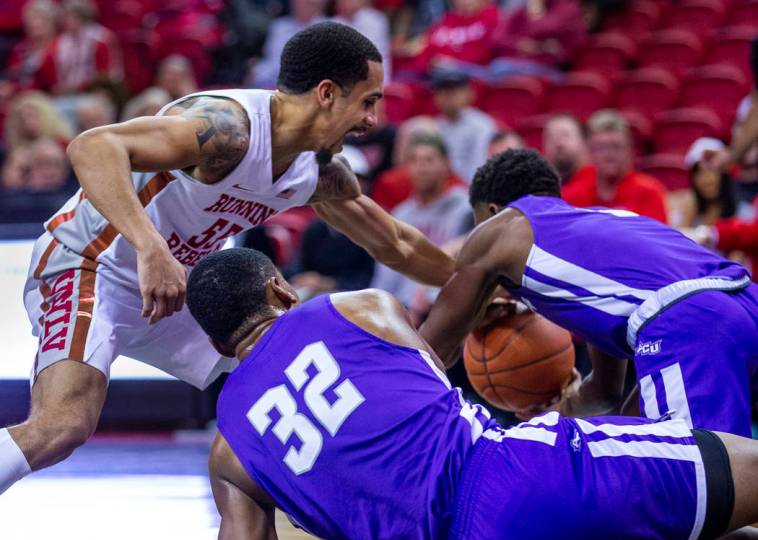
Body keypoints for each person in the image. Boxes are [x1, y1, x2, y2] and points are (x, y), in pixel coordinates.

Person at [189, 246, 758, 540]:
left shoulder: (228, 450)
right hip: (518, 480)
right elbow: (420, 391)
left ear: (216, 341)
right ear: (280, 290)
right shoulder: (354, 307)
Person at [0, 23, 454, 496]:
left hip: (173, 286)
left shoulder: (317, 170)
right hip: (90, 262)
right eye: (367, 100)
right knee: (63, 425)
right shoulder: (227, 128)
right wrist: (150, 247)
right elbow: (93, 146)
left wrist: (487, 282)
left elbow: (397, 244)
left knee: (297, 384)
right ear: (326, 93)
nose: (372, 119)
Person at [420, 149, 758, 437]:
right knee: (699, 472)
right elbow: (605, 396)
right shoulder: (598, 236)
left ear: (493, 213)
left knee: (704, 489)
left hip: (687, 322)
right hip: (741, 304)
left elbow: (427, 353)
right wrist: (550, 417)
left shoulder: (500, 229)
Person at [372, 134, 472, 307]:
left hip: (444, 306)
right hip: (401, 308)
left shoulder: (465, 208)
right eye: (415, 161)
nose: (421, 168)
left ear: (446, 164)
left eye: (429, 160)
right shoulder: (400, 215)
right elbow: (386, 277)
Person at [563, 109, 668, 223]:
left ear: (630, 150)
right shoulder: (574, 194)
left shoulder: (649, 193)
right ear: (590, 152)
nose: (609, 155)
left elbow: (658, 238)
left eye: (616, 146)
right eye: (601, 147)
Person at [432, 70, 497, 182]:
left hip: (471, 190)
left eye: (454, 91)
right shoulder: (434, 126)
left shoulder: (481, 125)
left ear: (469, 93)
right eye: (444, 91)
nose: (449, 96)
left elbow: (480, 167)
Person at [668, 138, 737, 229]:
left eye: (712, 170)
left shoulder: (742, 209)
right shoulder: (687, 205)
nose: (707, 179)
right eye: (699, 173)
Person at [542, 112, 589, 185]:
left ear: (584, 141)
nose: (558, 144)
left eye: (565, 135)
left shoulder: (601, 184)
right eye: (551, 138)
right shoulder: (541, 188)